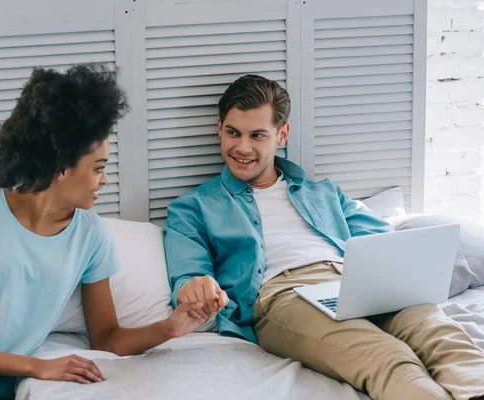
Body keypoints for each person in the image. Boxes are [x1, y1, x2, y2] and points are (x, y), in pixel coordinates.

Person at [0, 64, 205, 400]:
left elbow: (106, 338)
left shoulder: (91, 236)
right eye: (98, 168)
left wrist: (169, 328)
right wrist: (37, 366)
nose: (105, 180)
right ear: (61, 165)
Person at [163, 74, 484, 400]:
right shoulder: (192, 208)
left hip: (361, 281)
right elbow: (186, 281)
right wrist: (194, 289)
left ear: (282, 134)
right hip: (284, 295)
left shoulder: (323, 192)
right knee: (387, 358)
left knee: (444, 337)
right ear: (219, 126)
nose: (242, 147)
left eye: (257, 135)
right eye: (233, 132)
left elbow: (381, 239)